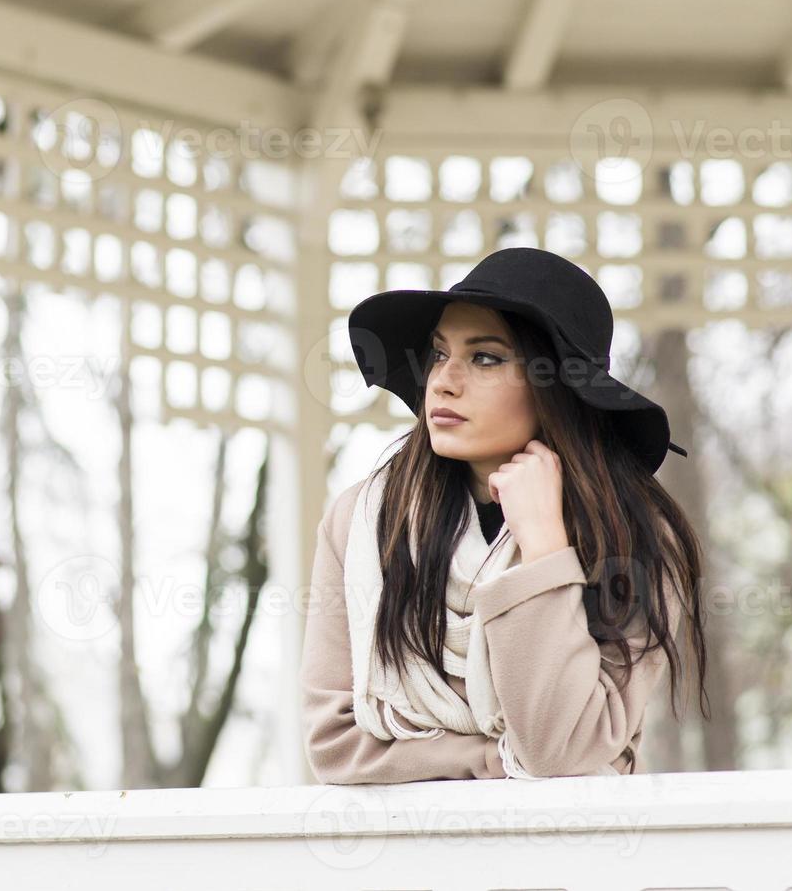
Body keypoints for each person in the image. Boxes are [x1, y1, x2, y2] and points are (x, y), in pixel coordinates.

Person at [301, 247, 710, 783]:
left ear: (556, 385)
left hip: (571, 854)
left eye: (486, 357)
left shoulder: (635, 537)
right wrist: (493, 761)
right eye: (438, 353)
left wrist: (545, 550)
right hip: (409, 857)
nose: (443, 381)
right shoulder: (364, 522)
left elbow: (558, 748)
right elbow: (334, 743)